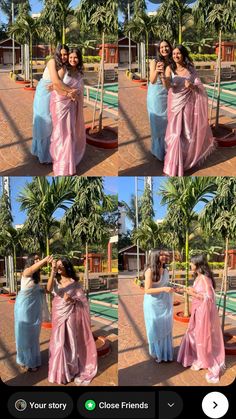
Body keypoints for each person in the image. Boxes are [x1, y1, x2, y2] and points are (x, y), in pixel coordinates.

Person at [162, 45, 215, 176]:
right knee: (174, 134)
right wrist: (162, 77)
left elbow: (199, 88)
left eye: (178, 53)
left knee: (187, 133)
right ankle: (172, 166)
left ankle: (185, 161)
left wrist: (191, 86)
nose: (175, 56)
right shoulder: (169, 68)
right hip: (174, 105)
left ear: (183, 55)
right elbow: (167, 86)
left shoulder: (190, 69)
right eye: (174, 54)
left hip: (188, 105)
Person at [47, 258, 97, 385]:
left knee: (70, 342)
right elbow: (48, 289)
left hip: (71, 314)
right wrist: (52, 272)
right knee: (58, 343)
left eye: (61, 265)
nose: (58, 267)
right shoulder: (55, 279)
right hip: (58, 313)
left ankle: (71, 369)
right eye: (57, 265)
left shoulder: (74, 282)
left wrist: (72, 300)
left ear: (66, 267)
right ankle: (59, 373)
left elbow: (82, 299)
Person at [177, 255, 225, 384]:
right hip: (197, 311)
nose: (190, 266)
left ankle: (203, 359)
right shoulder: (198, 277)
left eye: (191, 264)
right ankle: (199, 356)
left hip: (203, 313)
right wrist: (190, 290)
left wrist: (192, 293)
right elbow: (200, 292)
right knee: (194, 334)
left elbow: (209, 297)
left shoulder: (204, 278)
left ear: (198, 265)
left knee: (201, 336)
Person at [32, 44, 78, 164]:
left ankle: (49, 153)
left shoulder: (64, 67)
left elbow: (57, 85)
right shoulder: (52, 62)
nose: (63, 56)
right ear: (57, 53)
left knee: (51, 122)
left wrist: (67, 92)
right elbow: (56, 81)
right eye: (61, 54)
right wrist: (70, 91)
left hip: (53, 94)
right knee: (43, 121)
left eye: (65, 54)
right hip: (43, 93)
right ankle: (41, 153)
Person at [49, 48, 86, 176]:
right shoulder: (64, 69)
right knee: (61, 134)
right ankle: (61, 167)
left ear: (79, 58)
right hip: (60, 105)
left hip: (73, 105)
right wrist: (69, 93)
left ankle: (69, 165)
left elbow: (80, 89)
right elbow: (55, 86)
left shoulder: (80, 72)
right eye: (70, 58)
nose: (72, 60)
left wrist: (76, 95)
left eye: (75, 57)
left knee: (70, 133)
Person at [14, 254, 52, 372]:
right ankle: (24, 360)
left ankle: (32, 360)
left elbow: (47, 291)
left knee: (33, 335)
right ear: (30, 261)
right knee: (25, 335)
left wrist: (53, 272)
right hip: (24, 309)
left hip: (34, 310)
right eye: (35, 259)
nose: (38, 260)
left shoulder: (36, 279)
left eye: (39, 259)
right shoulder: (26, 272)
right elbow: (31, 269)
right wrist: (45, 260)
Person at [143, 250, 174, 363]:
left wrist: (172, 288)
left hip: (165, 303)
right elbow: (147, 290)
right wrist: (164, 289)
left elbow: (166, 284)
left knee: (165, 327)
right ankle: (158, 354)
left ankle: (166, 353)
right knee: (155, 329)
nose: (165, 256)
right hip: (153, 305)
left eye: (166, 255)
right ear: (155, 256)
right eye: (162, 255)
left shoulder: (166, 270)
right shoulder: (149, 271)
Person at [147, 40, 172, 161]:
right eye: (161, 47)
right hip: (155, 95)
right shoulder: (154, 62)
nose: (164, 49)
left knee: (167, 124)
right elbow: (151, 80)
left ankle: (166, 150)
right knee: (157, 124)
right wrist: (157, 70)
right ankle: (158, 152)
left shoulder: (172, 62)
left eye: (166, 46)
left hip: (168, 94)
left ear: (170, 47)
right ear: (159, 50)